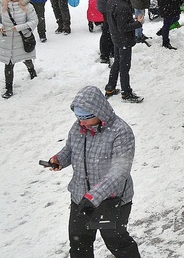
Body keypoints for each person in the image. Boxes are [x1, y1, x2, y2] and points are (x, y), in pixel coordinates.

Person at [47, 85, 140, 257]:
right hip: (81, 198)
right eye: (78, 117)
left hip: (112, 200)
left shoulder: (121, 132)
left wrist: (94, 196)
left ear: (98, 113)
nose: (80, 122)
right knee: (79, 244)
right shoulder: (78, 127)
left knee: (117, 243)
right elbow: (70, 149)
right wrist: (59, 159)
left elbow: (119, 171)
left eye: (85, 118)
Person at [0, 0, 38, 98]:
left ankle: (32, 72)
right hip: (7, 40)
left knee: (26, 57)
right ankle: (9, 88)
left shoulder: (28, 6)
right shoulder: (1, 5)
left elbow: (34, 21)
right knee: (9, 63)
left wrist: (20, 27)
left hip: (22, 39)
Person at [105, 0, 144, 103]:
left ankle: (110, 88)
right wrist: (138, 23)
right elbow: (123, 27)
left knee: (117, 63)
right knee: (124, 67)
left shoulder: (112, 0)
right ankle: (126, 93)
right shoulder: (122, 6)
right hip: (123, 40)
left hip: (116, 38)